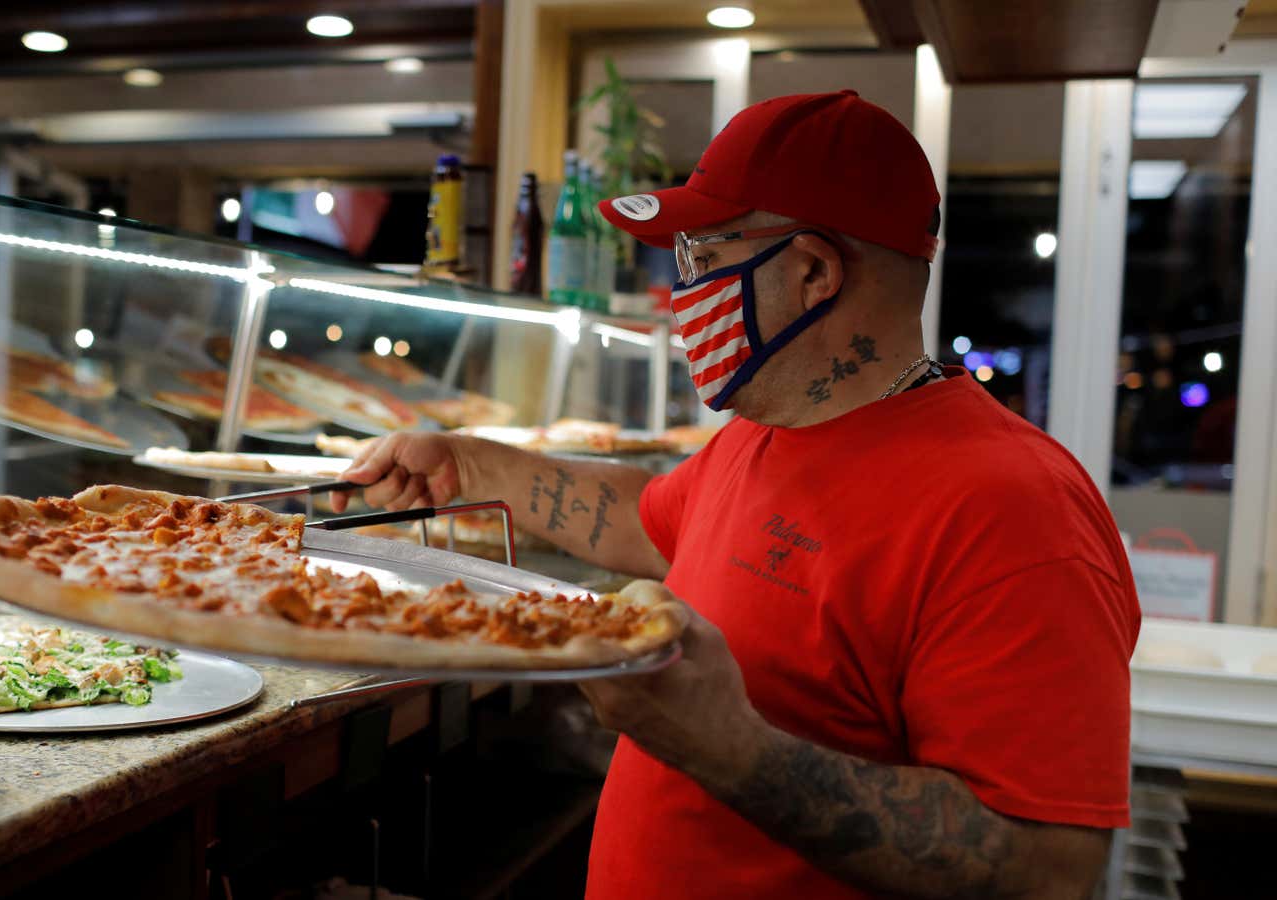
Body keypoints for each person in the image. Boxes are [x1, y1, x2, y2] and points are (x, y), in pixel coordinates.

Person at [329, 90, 1139, 899]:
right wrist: (465, 467)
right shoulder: (768, 430)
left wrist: (726, 744)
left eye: (701, 259)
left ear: (814, 271)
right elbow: (642, 521)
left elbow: (1051, 870)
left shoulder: (1015, 511)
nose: (680, 296)